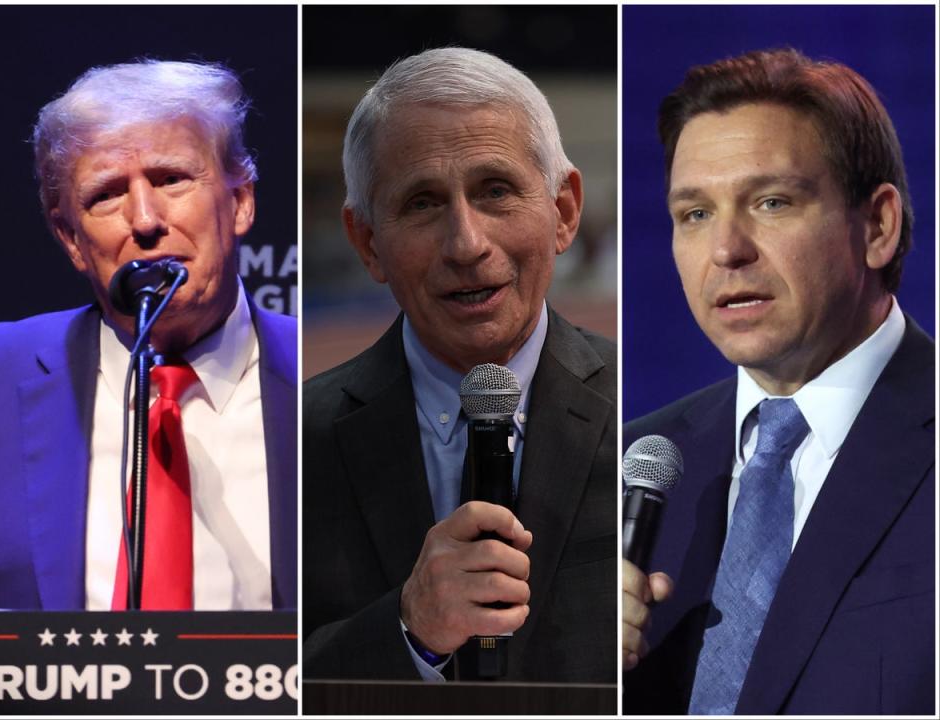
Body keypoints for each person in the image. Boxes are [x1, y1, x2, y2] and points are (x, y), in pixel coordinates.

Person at [622, 49, 934, 714]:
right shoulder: (628, 471)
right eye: (695, 214)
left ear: (878, 226)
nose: (726, 250)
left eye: (771, 201)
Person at [303, 47, 616, 682]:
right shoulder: (288, 442)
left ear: (563, 211)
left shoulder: (652, 419)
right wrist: (408, 631)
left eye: (495, 190)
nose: (467, 245)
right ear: (367, 243)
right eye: (422, 203)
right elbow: (238, 682)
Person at [0, 60, 297, 611]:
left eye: (171, 178)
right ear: (71, 239)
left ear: (240, 200)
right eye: (106, 194)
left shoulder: (320, 378)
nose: (146, 219)